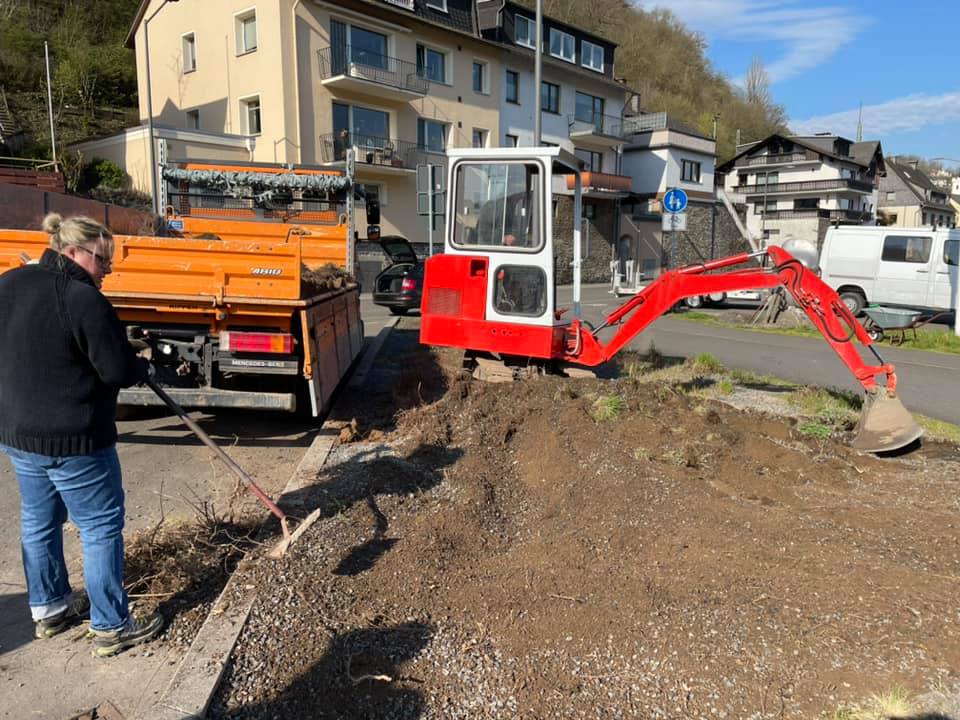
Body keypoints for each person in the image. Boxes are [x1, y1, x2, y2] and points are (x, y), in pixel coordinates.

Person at [0, 213, 163, 657]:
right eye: (102, 259)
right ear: (73, 251)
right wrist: (142, 365)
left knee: (38, 521)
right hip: (74, 439)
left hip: (18, 433)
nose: (107, 269)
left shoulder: (9, 284)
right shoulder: (83, 299)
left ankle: (49, 610)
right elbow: (116, 369)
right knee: (100, 526)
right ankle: (111, 625)